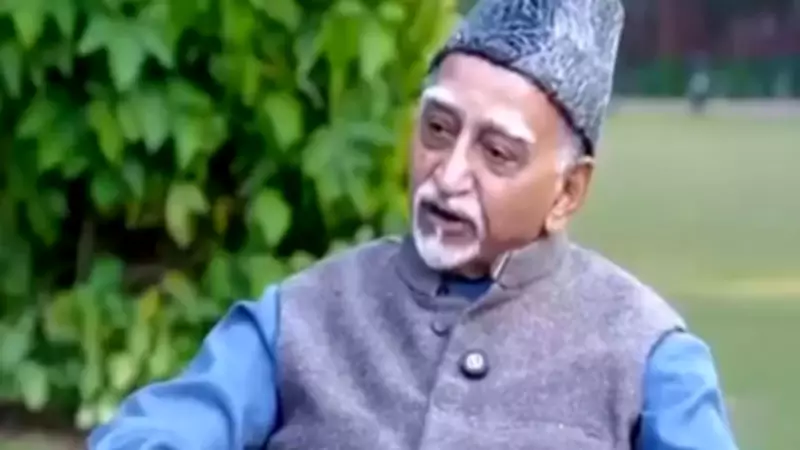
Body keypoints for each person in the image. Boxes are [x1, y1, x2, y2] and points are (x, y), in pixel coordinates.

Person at [89, 0, 740, 449]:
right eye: (437, 129)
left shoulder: (645, 354)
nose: (448, 175)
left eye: (496, 153)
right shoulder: (303, 316)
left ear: (567, 192)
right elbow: (164, 429)